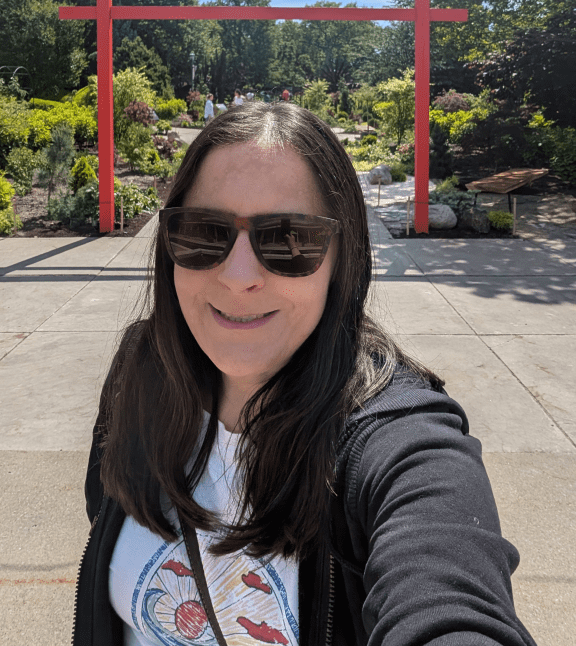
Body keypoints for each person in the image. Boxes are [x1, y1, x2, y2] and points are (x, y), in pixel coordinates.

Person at [74, 104, 537, 646]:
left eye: (288, 241)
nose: (239, 276)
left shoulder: (399, 445)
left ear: (344, 258)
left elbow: (450, 600)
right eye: (203, 233)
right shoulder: (143, 369)